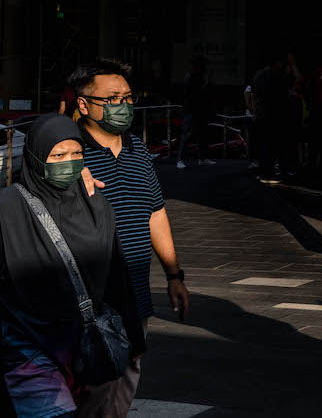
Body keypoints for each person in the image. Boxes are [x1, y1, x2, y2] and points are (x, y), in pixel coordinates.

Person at [68, 59, 191, 417]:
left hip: (136, 294)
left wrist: (174, 275)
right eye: (112, 98)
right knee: (90, 391)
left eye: (127, 97)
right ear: (84, 104)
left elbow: (156, 213)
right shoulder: (69, 153)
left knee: (125, 384)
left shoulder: (137, 149)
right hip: (93, 298)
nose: (123, 105)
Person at [0, 114, 145, 417]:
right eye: (58, 155)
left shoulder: (95, 205)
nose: (69, 162)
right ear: (37, 157)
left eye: (77, 153)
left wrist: (133, 333)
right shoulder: (8, 207)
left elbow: (117, 274)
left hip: (83, 346)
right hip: (24, 342)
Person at [252, 52, 294, 184]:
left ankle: (263, 171)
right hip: (273, 115)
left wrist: (255, 111)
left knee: (263, 144)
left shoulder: (258, 75)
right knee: (274, 145)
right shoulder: (276, 76)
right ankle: (272, 172)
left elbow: (253, 94)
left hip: (261, 114)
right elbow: (282, 94)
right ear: (277, 63)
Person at [176, 56, 216, 170]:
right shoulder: (191, 78)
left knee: (202, 135)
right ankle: (180, 160)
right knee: (187, 134)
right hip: (191, 111)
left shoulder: (201, 77)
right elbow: (192, 96)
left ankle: (202, 158)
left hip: (201, 111)